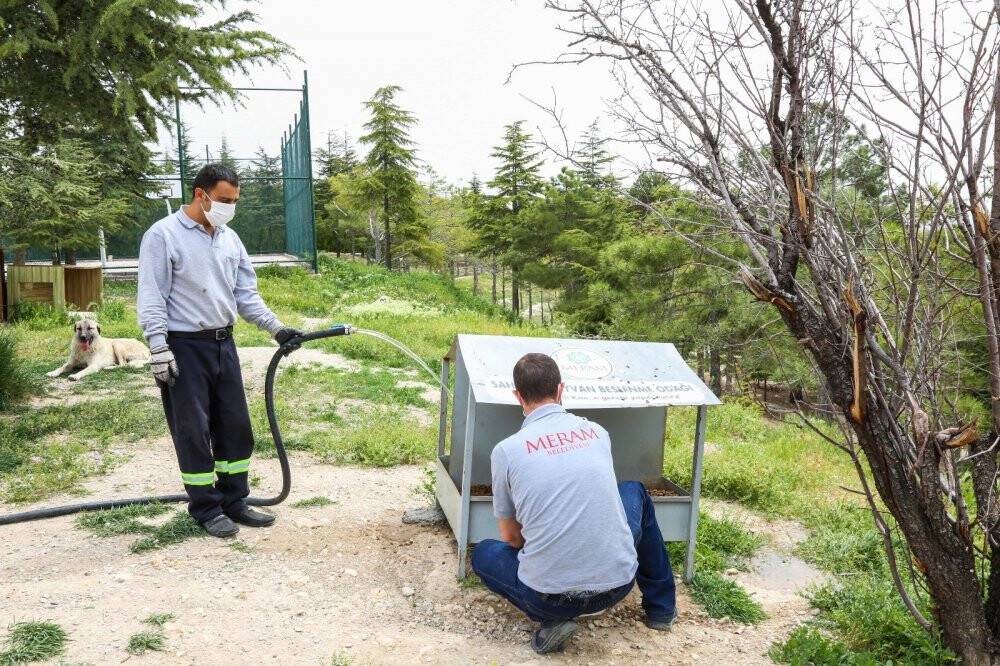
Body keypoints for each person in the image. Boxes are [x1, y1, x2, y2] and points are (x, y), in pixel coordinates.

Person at [471, 352, 677, 654]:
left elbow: (512, 538)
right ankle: (661, 610)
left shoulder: (506, 451)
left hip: (548, 597)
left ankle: (552, 620)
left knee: (485, 553)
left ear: (517, 396)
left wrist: (548, 545)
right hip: (617, 587)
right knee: (634, 490)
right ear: (561, 390)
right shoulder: (597, 433)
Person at [137, 163, 302, 538]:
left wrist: (276, 328)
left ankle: (234, 500)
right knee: (193, 430)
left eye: (234, 201)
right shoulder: (163, 236)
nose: (230, 207)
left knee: (235, 428)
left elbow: (246, 295)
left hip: (223, 344)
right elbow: (151, 296)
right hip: (184, 347)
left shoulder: (230, 238)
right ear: (201, 194)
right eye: (224, 200)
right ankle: (206, 508)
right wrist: (158, 348)